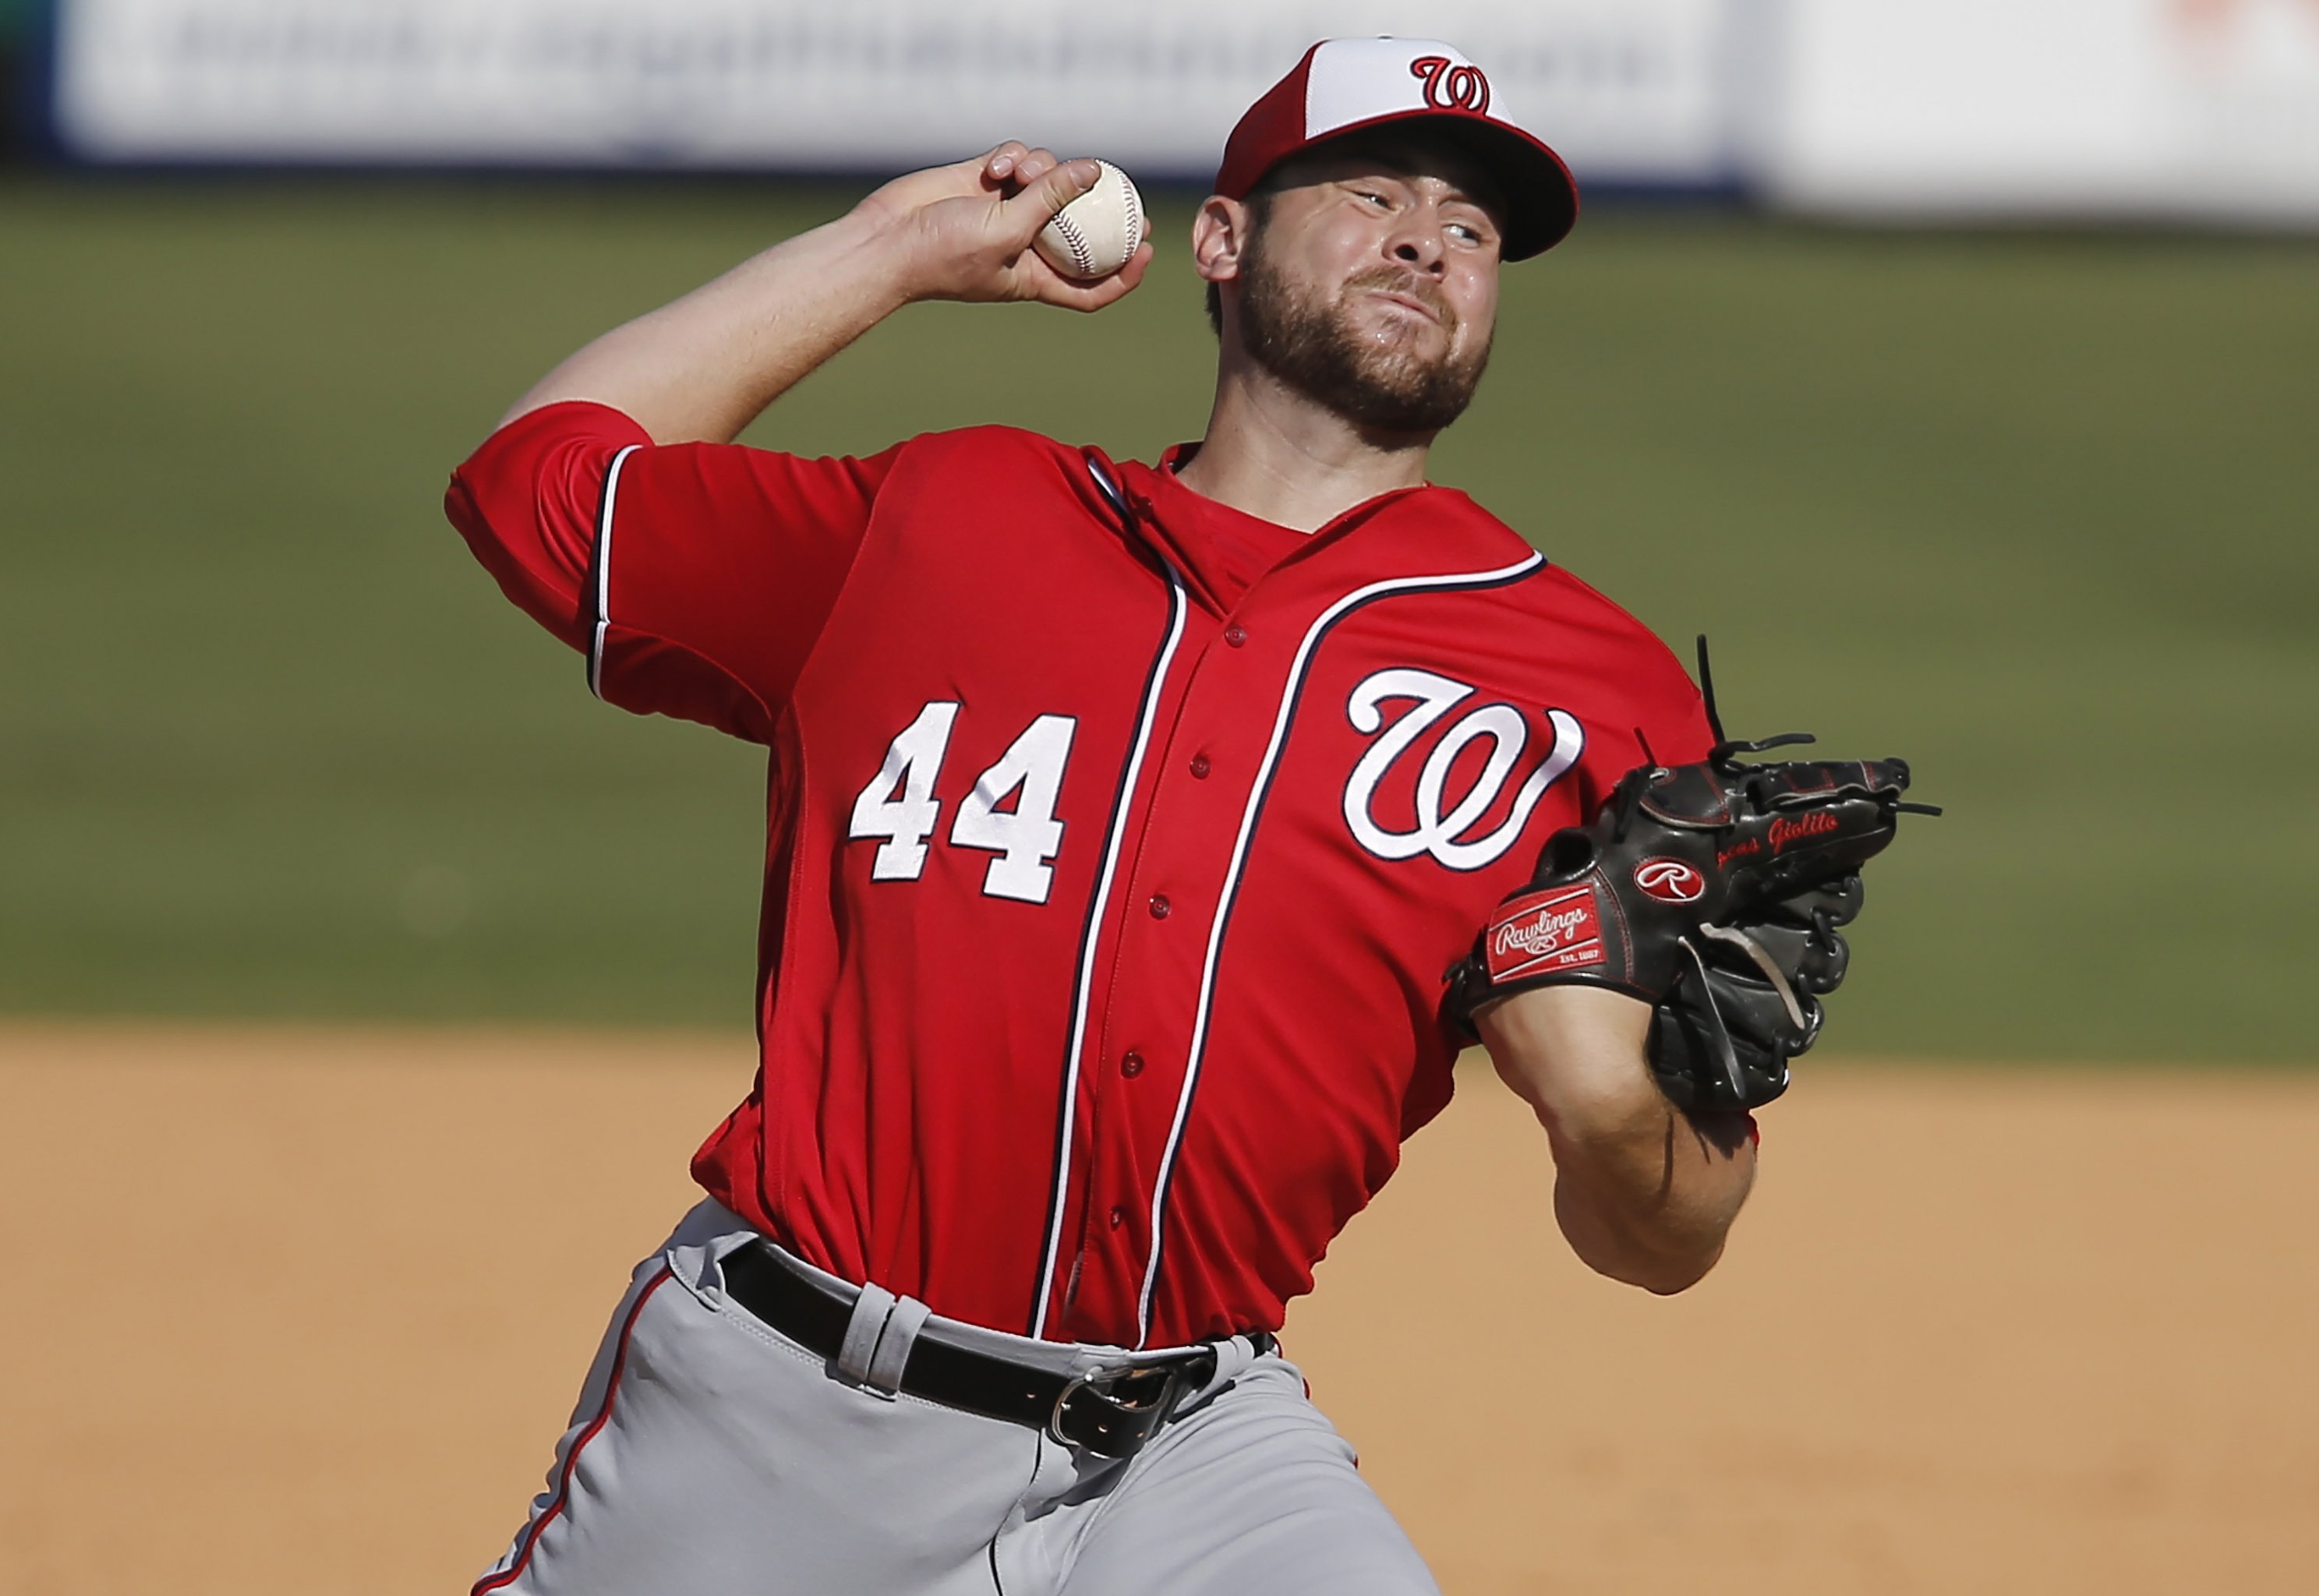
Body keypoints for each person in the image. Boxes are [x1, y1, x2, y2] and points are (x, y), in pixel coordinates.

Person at [446, 37, 1755, 1596]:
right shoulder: (946, 522)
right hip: (781, 1418)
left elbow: (1669, 1238)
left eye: (1473, 230)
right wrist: (888, 253)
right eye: (1371, 193)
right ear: (1221, 239)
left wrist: (1613, 1116)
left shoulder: (1594, 699)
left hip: (1190, 1452)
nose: (1428, 239)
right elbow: (539, 491)